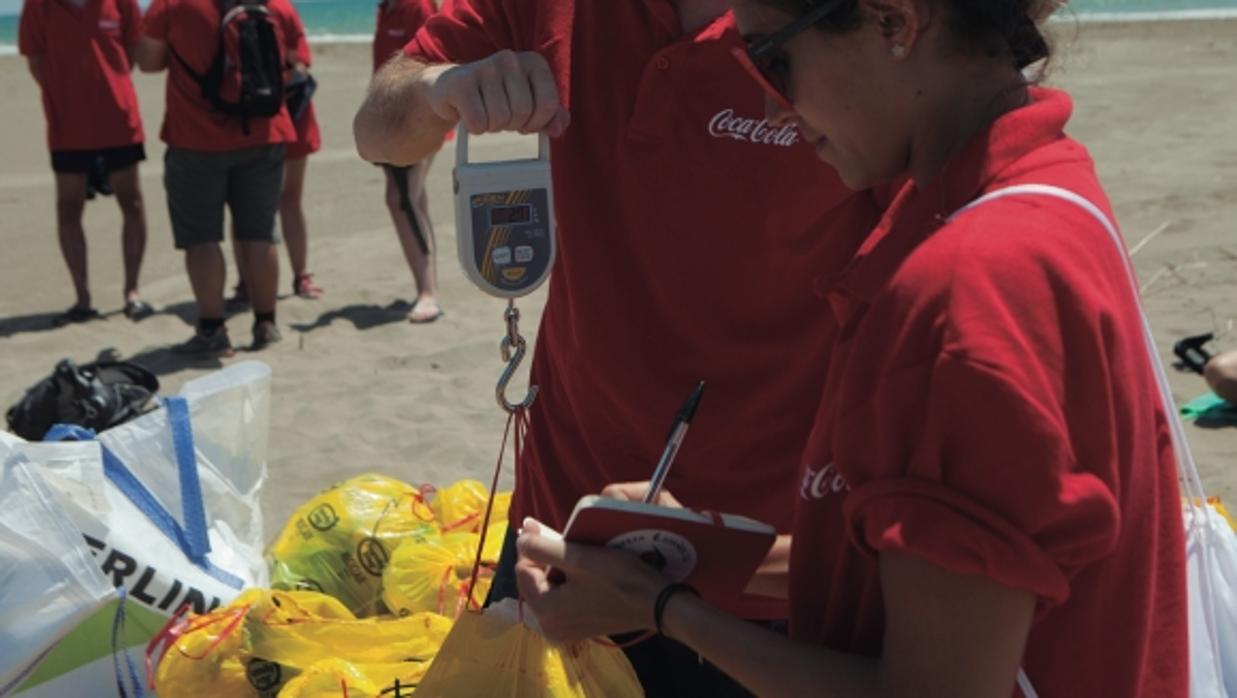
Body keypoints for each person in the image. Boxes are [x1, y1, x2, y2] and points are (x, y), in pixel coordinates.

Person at [511, 1, 1189, 696]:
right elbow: (933, 575)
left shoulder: (966, 291)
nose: (772, 110)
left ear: (893, 23)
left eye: (771, 60)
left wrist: (661, 611)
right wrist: (694, 559)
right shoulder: (1045, 187)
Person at [354, 0, 878, 693]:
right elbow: (378, 129)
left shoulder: (847, 25)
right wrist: (441, 89)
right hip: (560, 523)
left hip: (769, 560)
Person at [138, 0, 304, 355]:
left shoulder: (172, 5)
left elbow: (148, 63)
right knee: (260, 234)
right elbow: (293, 62)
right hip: (265, 132)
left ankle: (212, 330)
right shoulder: (275, 5)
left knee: (202, 238)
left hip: (195, 138)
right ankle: (266, 323)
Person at [19, 0, 152, 326]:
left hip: (119, 121)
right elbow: (36, 61)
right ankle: (83, 297)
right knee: (68, 208)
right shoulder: (39, 5)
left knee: (132, 202)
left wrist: (110, 86)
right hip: (67, 127)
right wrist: (66, 94)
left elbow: (132, 53)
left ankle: (131, 291)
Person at [229, 11, 325, 309]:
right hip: (250, 119)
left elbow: (300, 64)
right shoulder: (235, 10)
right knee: (246, 204)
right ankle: (248, 280)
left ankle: (299, 274)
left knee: (287, 199)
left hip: (289, 114)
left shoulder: (281, 9)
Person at [374, 0, 444, 324]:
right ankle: (427, 288)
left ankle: (428, 293)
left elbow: (437, 61)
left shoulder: (416, 6)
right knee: (413, 199)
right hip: (389, 121)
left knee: (402, 200)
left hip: (416, 122)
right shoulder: (386, 8)